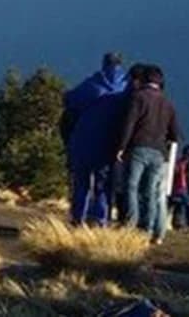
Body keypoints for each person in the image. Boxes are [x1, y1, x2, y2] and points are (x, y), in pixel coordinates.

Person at [115, 65, 181, 244]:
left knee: (131, 187)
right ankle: (148, 229)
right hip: (159, 152)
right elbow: (175, 134)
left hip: (138, 147)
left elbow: (129, 123)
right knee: (150, 192)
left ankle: (131, 224)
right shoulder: (168, 103)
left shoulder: (139, 98)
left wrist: (121, 147)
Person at [64, 53, 129, 226]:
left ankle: (78, 218)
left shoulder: (92, 83)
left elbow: (70, 100)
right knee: (104, 184)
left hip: (84, 139)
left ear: (104, 64)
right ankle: (100, 219)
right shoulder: (126, 86)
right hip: (110, 142)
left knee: (81, 182)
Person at [169, 145, 189, 230]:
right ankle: (183, 224)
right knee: (185, 206)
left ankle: (177, 224)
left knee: (178, 206)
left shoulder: (178, 162)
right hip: (183, 188)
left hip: (177, 188)